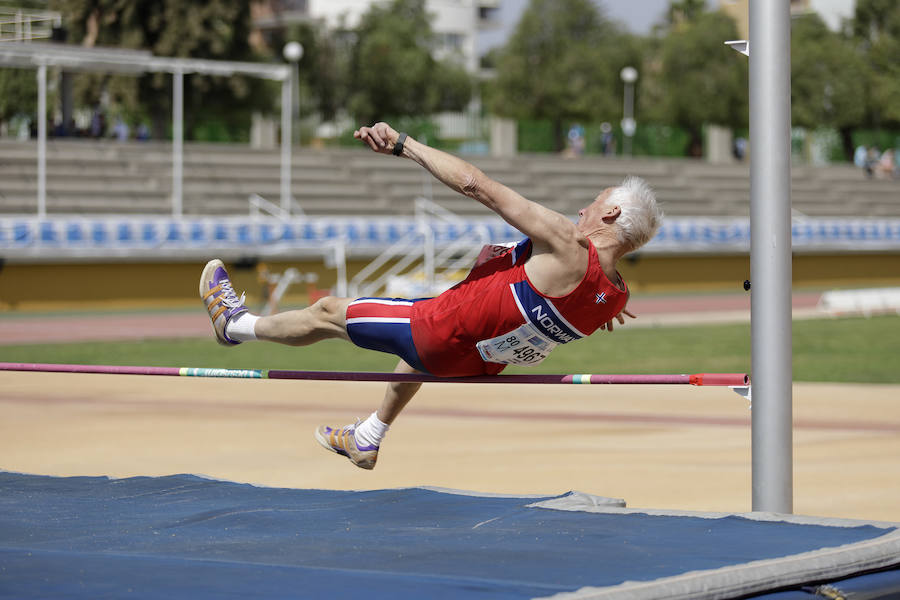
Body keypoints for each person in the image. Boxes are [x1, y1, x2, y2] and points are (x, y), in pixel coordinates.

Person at [199, 121, 663, 470]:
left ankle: (235, 326)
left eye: (595, 203)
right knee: (420, 355)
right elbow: (589, 303)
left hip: (440, 329)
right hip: (477, 361)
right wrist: (602, 308)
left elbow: (477, 186)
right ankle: (370, 434)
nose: (583, 208)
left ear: (613, 213)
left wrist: (407, 145)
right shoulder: (616, 294)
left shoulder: (569, 243)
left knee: (328, 313)